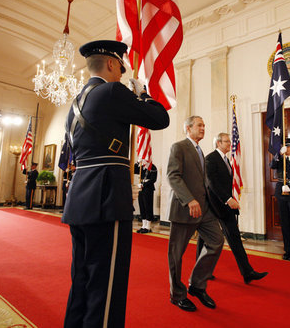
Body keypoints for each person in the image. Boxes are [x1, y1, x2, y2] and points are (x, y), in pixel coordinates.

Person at [61, 40, 169, 328]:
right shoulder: (111, 91)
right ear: (110, 63)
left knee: (82, 277)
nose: (122, 73)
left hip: (81, 194)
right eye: (121, 67)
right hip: (107, 196)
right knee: (107, 282)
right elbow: (160, 118)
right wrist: (143, 94)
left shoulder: (75, 103)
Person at [167, 116, 224, 312]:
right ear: (188, 128)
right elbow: (173, 176)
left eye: (204, 125)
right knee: (176, 255)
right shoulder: (179, 147)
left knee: (216, 241)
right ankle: (177, 294)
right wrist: (189, 199)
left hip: (205, 209)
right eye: (199, 125)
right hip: (185, 208)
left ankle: (197, 285)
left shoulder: (201, 151)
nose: (203, 128)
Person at [197, 133, 268, 284]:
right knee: (204, 239)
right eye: (227, 141)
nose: (230, 143)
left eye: (230, 141)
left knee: (234, 238)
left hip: (224, 207)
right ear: (218, 143)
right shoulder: (210, 159)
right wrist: (228, 199)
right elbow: (211, 183)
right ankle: (202, 271)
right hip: (214, 206)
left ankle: (247, 273)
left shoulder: (227, 160)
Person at [134, 162, 157, 233]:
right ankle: (143, 225)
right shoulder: (141, 167)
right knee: (142, 206)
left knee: (148, 207)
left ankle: (148, 226)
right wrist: (137, 162)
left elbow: (153, 179)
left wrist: (144, 184)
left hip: (148, 189)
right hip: (141, 189)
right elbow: (135, 171)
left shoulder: (152, 167)